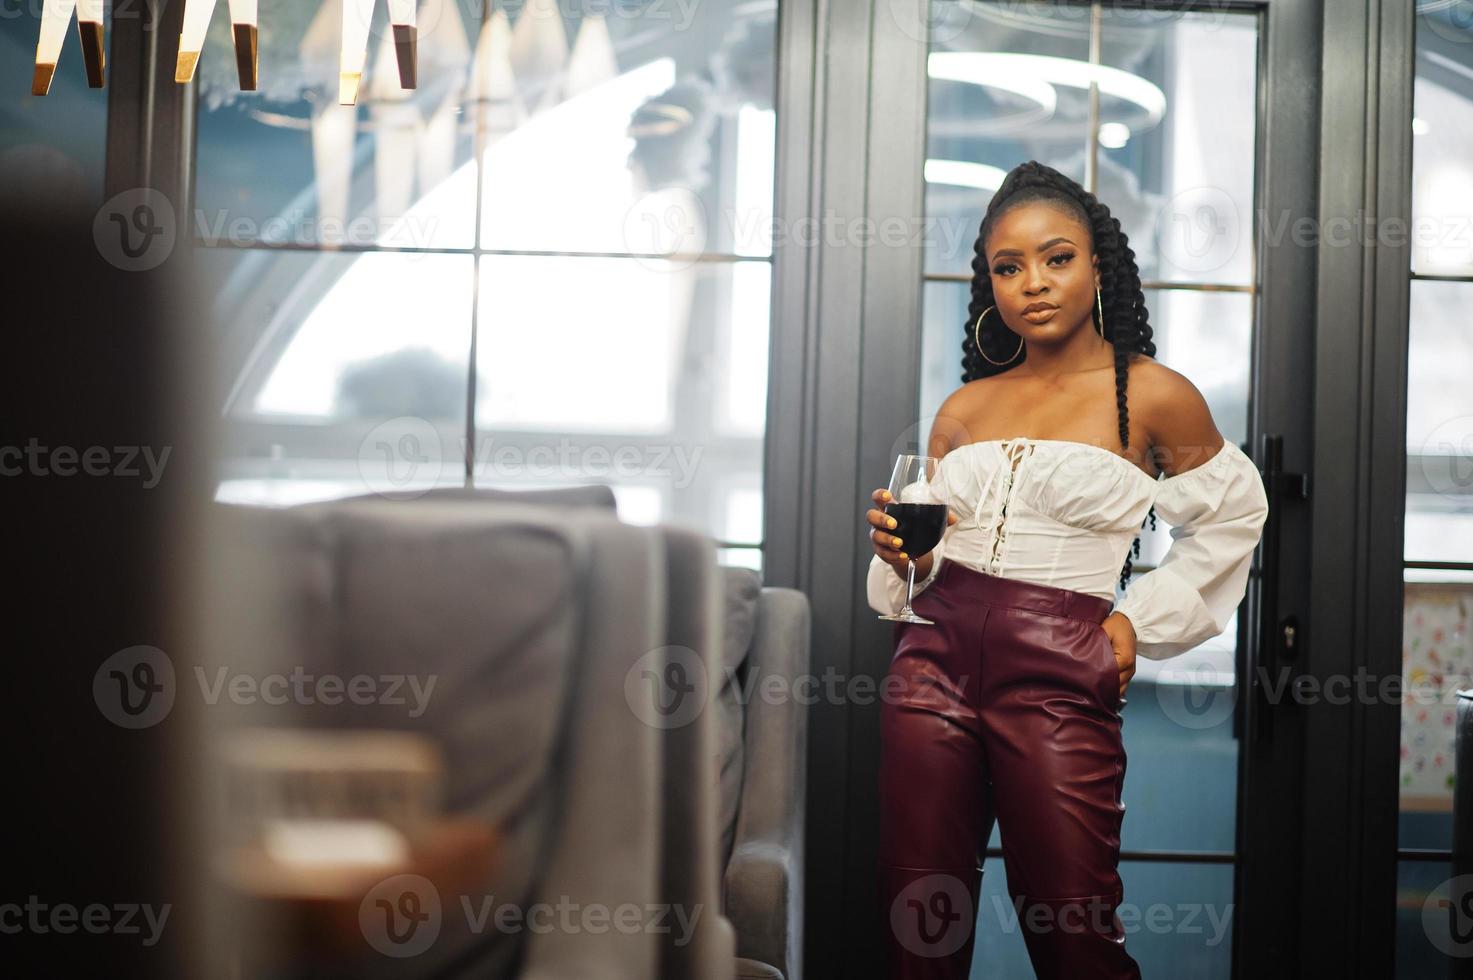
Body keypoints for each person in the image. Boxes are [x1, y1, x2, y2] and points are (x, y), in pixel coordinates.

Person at [863, 160, 1270, 979]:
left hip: (1058, 668)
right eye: (1008, 268)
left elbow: (1232, 518)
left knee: (1072, 927)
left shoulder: (1152, 396)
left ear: (1099, 267)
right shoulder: (964, 407)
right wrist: (904, 553)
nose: (1032, 284)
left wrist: (1130, 622)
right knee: (921, 924)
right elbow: (924, 569)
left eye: (1056, 258)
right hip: (929, 668)